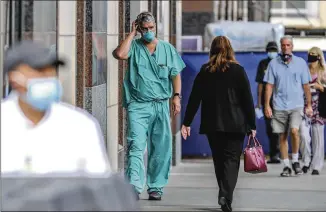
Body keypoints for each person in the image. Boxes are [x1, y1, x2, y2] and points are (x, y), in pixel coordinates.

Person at [1, 40, 111, 174]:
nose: (47, 77)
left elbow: (98, 185)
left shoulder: (80, 125)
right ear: (14, 78)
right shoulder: (5, 121)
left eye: (51, 71)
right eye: (39, 71)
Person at [112, 12, 186, 201]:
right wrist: (131, 34)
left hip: (161, 105)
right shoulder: (134, 47)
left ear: (155, 27)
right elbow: (120, 54)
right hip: (138, 105)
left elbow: (175, 74)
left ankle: (156, 187)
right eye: (143, 29)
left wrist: (176, 97)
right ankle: (134, 186)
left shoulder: (167, 49)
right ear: (138, 28)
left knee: (160, 147)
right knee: (136, 145)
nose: (147, 32)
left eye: (150, 28)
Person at [181, 36, 256, 212]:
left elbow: (194, 98)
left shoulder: (205, 71)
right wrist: (252, 125)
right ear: (230, 49)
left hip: (213, 124)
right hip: (236, 124)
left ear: (212, 50)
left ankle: (224, 193)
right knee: (231, 161)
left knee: (219, 160)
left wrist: (187, 122)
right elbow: (247, 100)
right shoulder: (238, 71)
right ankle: (225, 195)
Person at [263, 35, 313, 177]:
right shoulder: (273, 64)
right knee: (282, 136)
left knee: (294, 132)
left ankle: (296, 161)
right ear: (281, 46)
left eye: (288, 45)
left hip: (296, 105)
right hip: (279, 106)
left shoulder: (301, 63)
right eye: (283, 45)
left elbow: (306, 86)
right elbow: (269, 86)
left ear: (292, 46)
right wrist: (267, 105)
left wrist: (308, 104)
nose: (285, 48)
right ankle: (286, 166)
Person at [299, 47, 326, 175]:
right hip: (305, 105)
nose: (311, 58)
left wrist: (319, 86)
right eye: (309, 55)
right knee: (304, 135)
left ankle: (317, 165)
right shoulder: (304, 70)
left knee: (318, 137)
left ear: (319, 57)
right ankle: (306, 161)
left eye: (313, 55)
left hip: (319, 106)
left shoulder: (323, 71)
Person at [255, 41, 281, 164]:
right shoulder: (263, 64)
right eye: (270, 50)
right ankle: (274, 154)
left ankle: (279, 154)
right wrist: (259, 103)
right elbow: (260, 84)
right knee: (270, 128)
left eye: (274, 50)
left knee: (279, 128)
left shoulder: (282, 63)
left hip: (281, 101)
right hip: (267, 102)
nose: (272, 52)